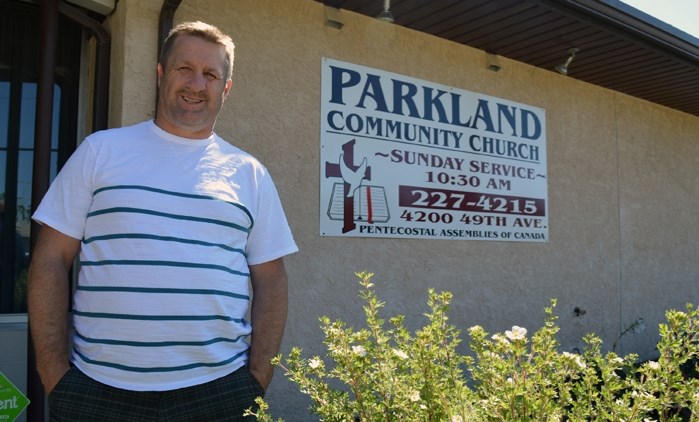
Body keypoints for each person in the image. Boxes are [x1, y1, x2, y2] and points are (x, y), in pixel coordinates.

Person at [28, 21, 297, 421]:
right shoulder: (100, 152)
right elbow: (50, 259)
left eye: (210, 75)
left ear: (225, 89)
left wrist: (257, 377)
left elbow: (271, 278)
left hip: (218, 391)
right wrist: (53, 373)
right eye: (183, 69)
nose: (196, 83)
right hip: (98, 390)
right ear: (160, 74)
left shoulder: (249, 172)